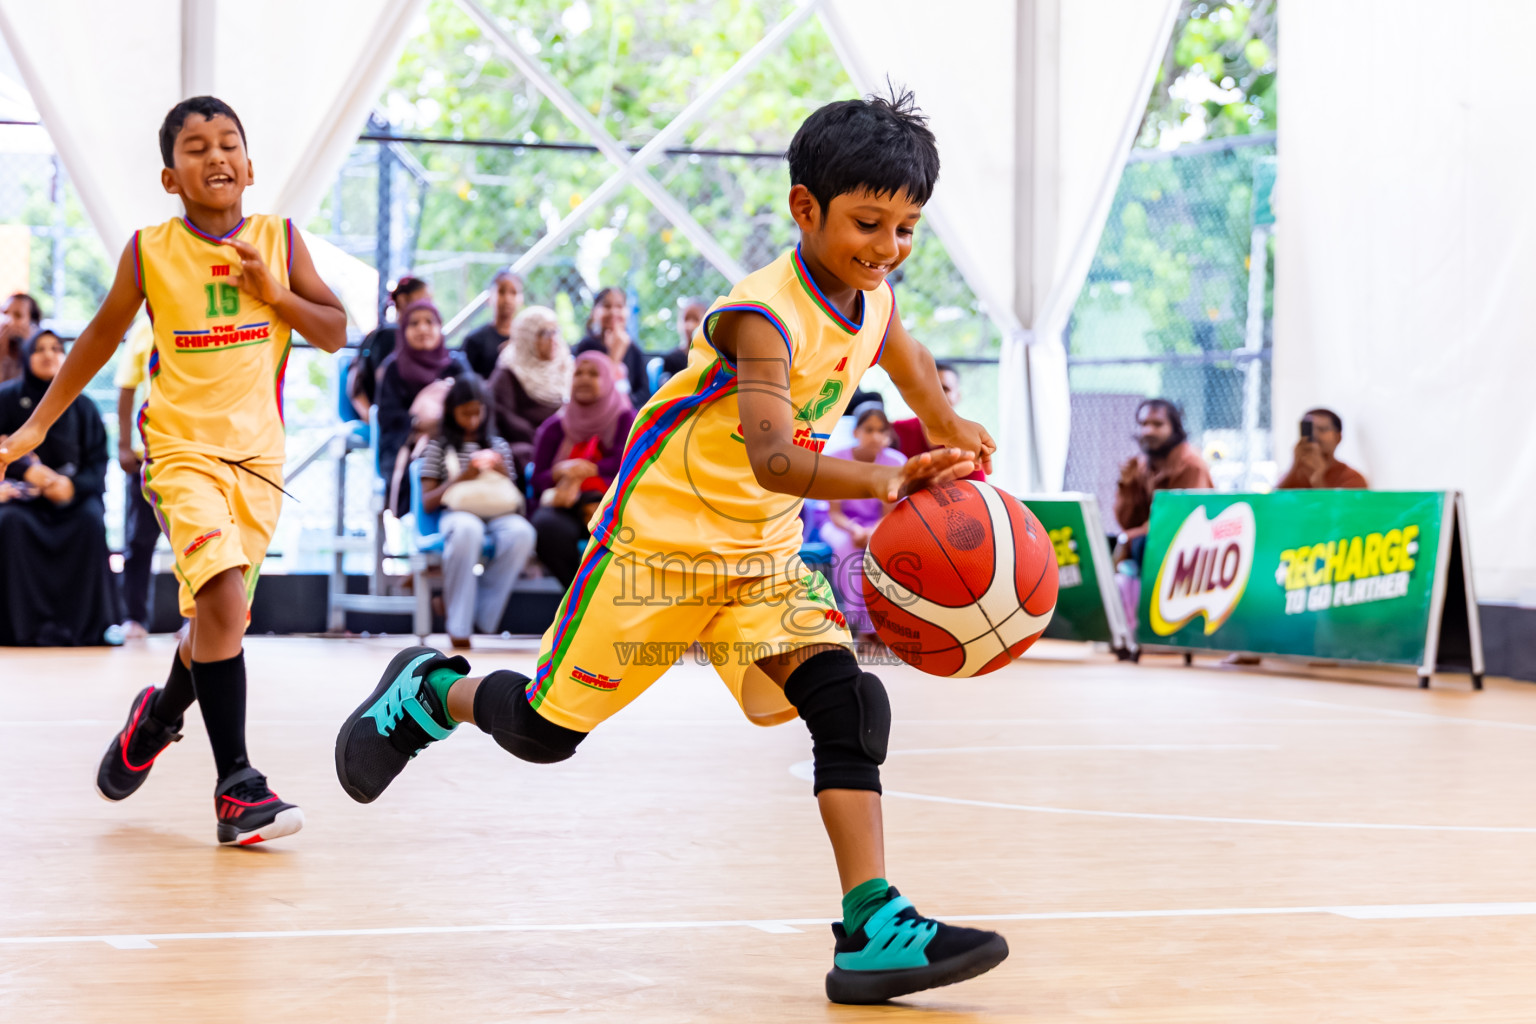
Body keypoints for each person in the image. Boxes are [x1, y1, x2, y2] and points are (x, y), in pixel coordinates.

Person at [336, 90, 1011, 1006]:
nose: (887, 248)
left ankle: (873, 928)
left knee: (849, 705)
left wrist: (943, 418)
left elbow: (901, 351)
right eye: (867, 223)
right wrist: (893, 476)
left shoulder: (873, 295)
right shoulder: (760, 316)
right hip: (658, 546)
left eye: (906, 227)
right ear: (804, 208)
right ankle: (431, 692)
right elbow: (776, 457)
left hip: (762, 557)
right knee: (543, 733)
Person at [0, 97, 347, 845]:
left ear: (251, 166)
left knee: (217, 618)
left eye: (229, 143)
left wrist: (274, 293)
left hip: (259, 462)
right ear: (169, 175)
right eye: (195, 147)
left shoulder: (281, 240)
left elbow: (335, 329)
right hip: (180, 452)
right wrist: (35, 424)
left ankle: (157, 719)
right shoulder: (149, 250)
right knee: (221, 594)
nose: (215, 155)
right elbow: (96, 339)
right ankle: (238, 786)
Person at [0, 329, 119, 646]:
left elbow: (97, 464)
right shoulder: (6, 398)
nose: (49, 354)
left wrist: (72, 486)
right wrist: (26, 472)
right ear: (27, 357)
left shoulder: (84, 407)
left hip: (71, 500)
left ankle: (92, 627)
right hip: (19, 501)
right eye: (39, 349)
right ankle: (15, 627)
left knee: (91, 520)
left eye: (56, 348)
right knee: (9, 522)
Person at [417, 375, 536, 649]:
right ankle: (458, 627)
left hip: (498, 513)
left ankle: (481, 616)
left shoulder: (498, 446)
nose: (472, 420)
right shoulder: (438, 447)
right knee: (467, 530)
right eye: (464, 413)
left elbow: (514, 498)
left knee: (522, 533)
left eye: (476, 412)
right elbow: (428, 501)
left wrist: (502, 472)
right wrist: (462, 477)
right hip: (457, 513)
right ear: (451, 412)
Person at [526, 350, 634, 589]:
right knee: (547, 528)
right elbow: (537, 480)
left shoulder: (626, 420)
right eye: (578, 373)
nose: (584, 379)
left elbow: (630, 464)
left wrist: (589, 469)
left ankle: (612, 599)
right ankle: (578, 595)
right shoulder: (554, 427)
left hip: (612, 503)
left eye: (593, 374)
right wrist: (561, 471)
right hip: (565, 505)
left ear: (607, 380)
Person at [375, 299, 468, 512]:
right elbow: (389, 417)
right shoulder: (393, 369)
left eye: (429, 322)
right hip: (407, 444)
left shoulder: (457, 365)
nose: (422, 328)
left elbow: (475, 403)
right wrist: (420, 424)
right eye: (414, 323)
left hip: (456, 439)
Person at [820, 402, 905, 635]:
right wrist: (855, 530)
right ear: (856, 432)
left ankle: (885, 623)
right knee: (848, 548)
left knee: (882, 551)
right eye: (869, 429)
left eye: (881, 430)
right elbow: (834, 513)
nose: (875, 436)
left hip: (880, 524)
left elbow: (889, 514)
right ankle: (864, 626)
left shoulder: (896, 463)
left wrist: (871, 532)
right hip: (840, 525)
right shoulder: (837, 460)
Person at [1112, 398, 1213, 566]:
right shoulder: (1142, 465)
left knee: (1141, 545)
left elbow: (1176, 522)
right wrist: (1126, 486)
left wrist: (1129, 538)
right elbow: (1127, 522)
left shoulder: (1190, 465)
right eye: (1143, 424)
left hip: (1188, 548)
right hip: (1152, 539)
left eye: (1157, 425)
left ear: (1174, 428)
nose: (1148, 431)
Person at [114, 318, 161, 638]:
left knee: (202, 540)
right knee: (139, 540)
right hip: (149, 454)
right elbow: (127, 387)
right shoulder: (145, 326)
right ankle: (134, 617)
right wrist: (122, 444)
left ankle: (197, 619)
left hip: (200, 450)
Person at [487, 304, 571, 473]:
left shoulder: (566, 365)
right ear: (527, 337)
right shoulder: (508, 373)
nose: (553, 339)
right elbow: (505, 419)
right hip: (532, 443)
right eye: (544, 333)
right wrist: (547, 438)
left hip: (568, 438)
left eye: (555, 331)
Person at [350, 275, 429, 418]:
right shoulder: (389, 336)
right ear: (403, 300)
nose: (429, 306)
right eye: (425, 300)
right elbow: (364, 382)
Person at [891, 362, 983, 481]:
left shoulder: (969, 442)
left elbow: (979, 491)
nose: (937, 395)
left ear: (958, 396)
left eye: (945, 389)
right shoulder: (895, 431)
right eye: (931, 388)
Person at [573, 286, 649, 405]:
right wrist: (614, 354)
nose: (614, 312)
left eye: (619, 306)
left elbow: (644, 393)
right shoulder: (587, 347)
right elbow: (593, 393)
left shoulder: (633, 349)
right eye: (607, 306)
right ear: (594, 312)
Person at [1277, 408, 1368, 489]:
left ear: (1338, 437)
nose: (1315, 435)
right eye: (1309, 430)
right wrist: (1295, 465)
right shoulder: (1296, 475)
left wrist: (1318, 478)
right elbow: (1272, 502)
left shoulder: (1352, 478)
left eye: (1322, 429)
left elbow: (1336, 508)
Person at [460, 270, 524, 380]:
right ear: (489, 298)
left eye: (513, 292)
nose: (507, 299)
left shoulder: (527, 339)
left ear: (521, 299)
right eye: (501, 292)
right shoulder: (474, 340)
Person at [657, 297, 708, 385]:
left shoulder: (711, 357)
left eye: (695, 320)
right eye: (686, 319)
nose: (689, 326)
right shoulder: (673, 358)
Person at [1, 292, 42, 383]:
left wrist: (28, 346)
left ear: (33, 324)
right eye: (4, 313)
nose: (8, 321)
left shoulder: (41, 351)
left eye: (18, 315)